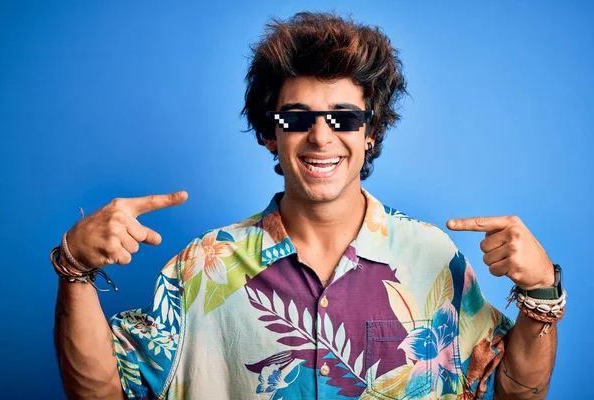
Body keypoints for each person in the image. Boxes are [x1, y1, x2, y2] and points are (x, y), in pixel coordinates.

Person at [53, 12, 564, 400]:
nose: (321, 137)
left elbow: (517, 392)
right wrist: (73, 267)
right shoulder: (203, 267)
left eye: (343, 118)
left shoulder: (434, 256)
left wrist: (541, 290)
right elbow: (100, 392)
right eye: (297, 117)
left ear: (372, 132)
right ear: (268, 134)